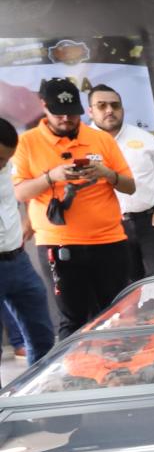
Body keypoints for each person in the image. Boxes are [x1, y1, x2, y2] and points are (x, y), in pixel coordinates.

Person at [11, 78, 137, 334]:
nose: (67, 118)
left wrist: (106, 173)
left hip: (109, 241)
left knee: (117, 315)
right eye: (59, 113)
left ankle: (119, 371)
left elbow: (129, 186)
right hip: (59, 244)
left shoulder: (100, 139)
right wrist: (51, 177)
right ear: (44, 107)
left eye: (73, 112)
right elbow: (20, 192)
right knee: (74, 320)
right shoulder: (27, 142)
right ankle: (77, 373)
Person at [86, 85, 154, 278]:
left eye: (115, 105)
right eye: (101, 106)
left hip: (151, 222)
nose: (109, 110)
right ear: (90, 111)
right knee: (125, 293)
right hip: (109, 229)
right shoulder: (82, 142)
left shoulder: (144, 138)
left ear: (122, 109)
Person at [0, 118, 56, 367]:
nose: (3, 164)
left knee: (42, 338)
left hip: (18, 260)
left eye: (6, 159)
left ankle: (39, 400)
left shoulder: (8, 167)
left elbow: (19, 196)